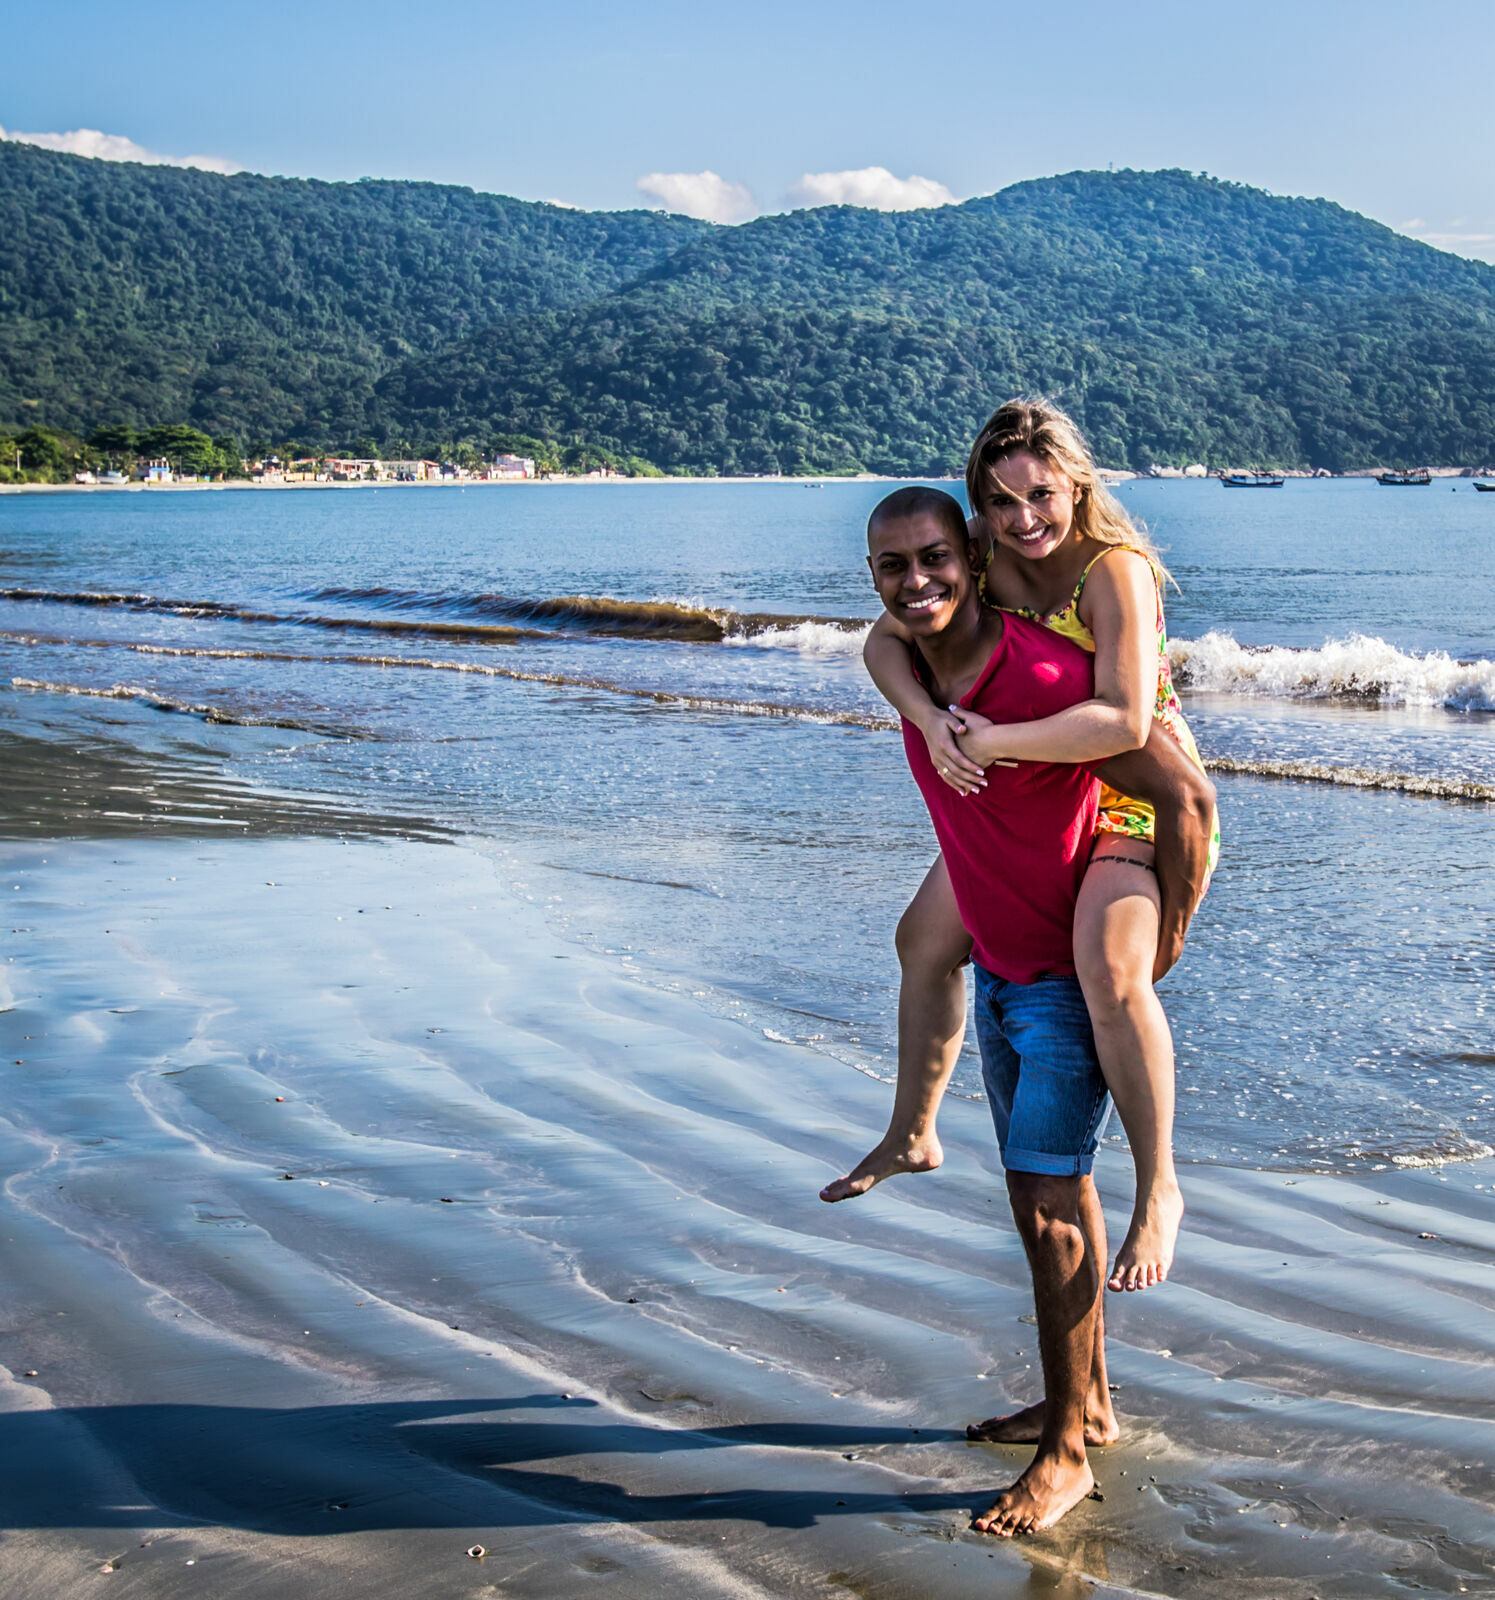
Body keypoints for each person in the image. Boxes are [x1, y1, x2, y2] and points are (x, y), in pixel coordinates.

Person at [858, 486, 1213, 1535]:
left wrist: (1174, 925)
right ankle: (1085, 1402)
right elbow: (878, 650)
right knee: (1040, 1201)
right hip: (1004, 963)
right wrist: (928, 715)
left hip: (1065, 971)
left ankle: (1063, 1453)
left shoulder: (1054, 674)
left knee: (1050, 1204)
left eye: (933, 561)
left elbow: (1184, 795)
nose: (917, 582)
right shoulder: (915, 662)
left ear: (968, 563)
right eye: (894, 568)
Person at [824, 399, 1219, 1296]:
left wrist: (990, 739)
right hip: (1043, 786)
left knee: (1108, 973)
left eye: (1039, 494)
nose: (1023, 519)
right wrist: (927, 720)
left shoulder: (1113, 570)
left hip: (1133, 796)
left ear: (1074, 484)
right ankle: (913, 1131)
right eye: (999, 503)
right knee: (922, 943)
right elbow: (884, 638)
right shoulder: (986, 563)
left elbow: (1120, 720)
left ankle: (1159, 1188)